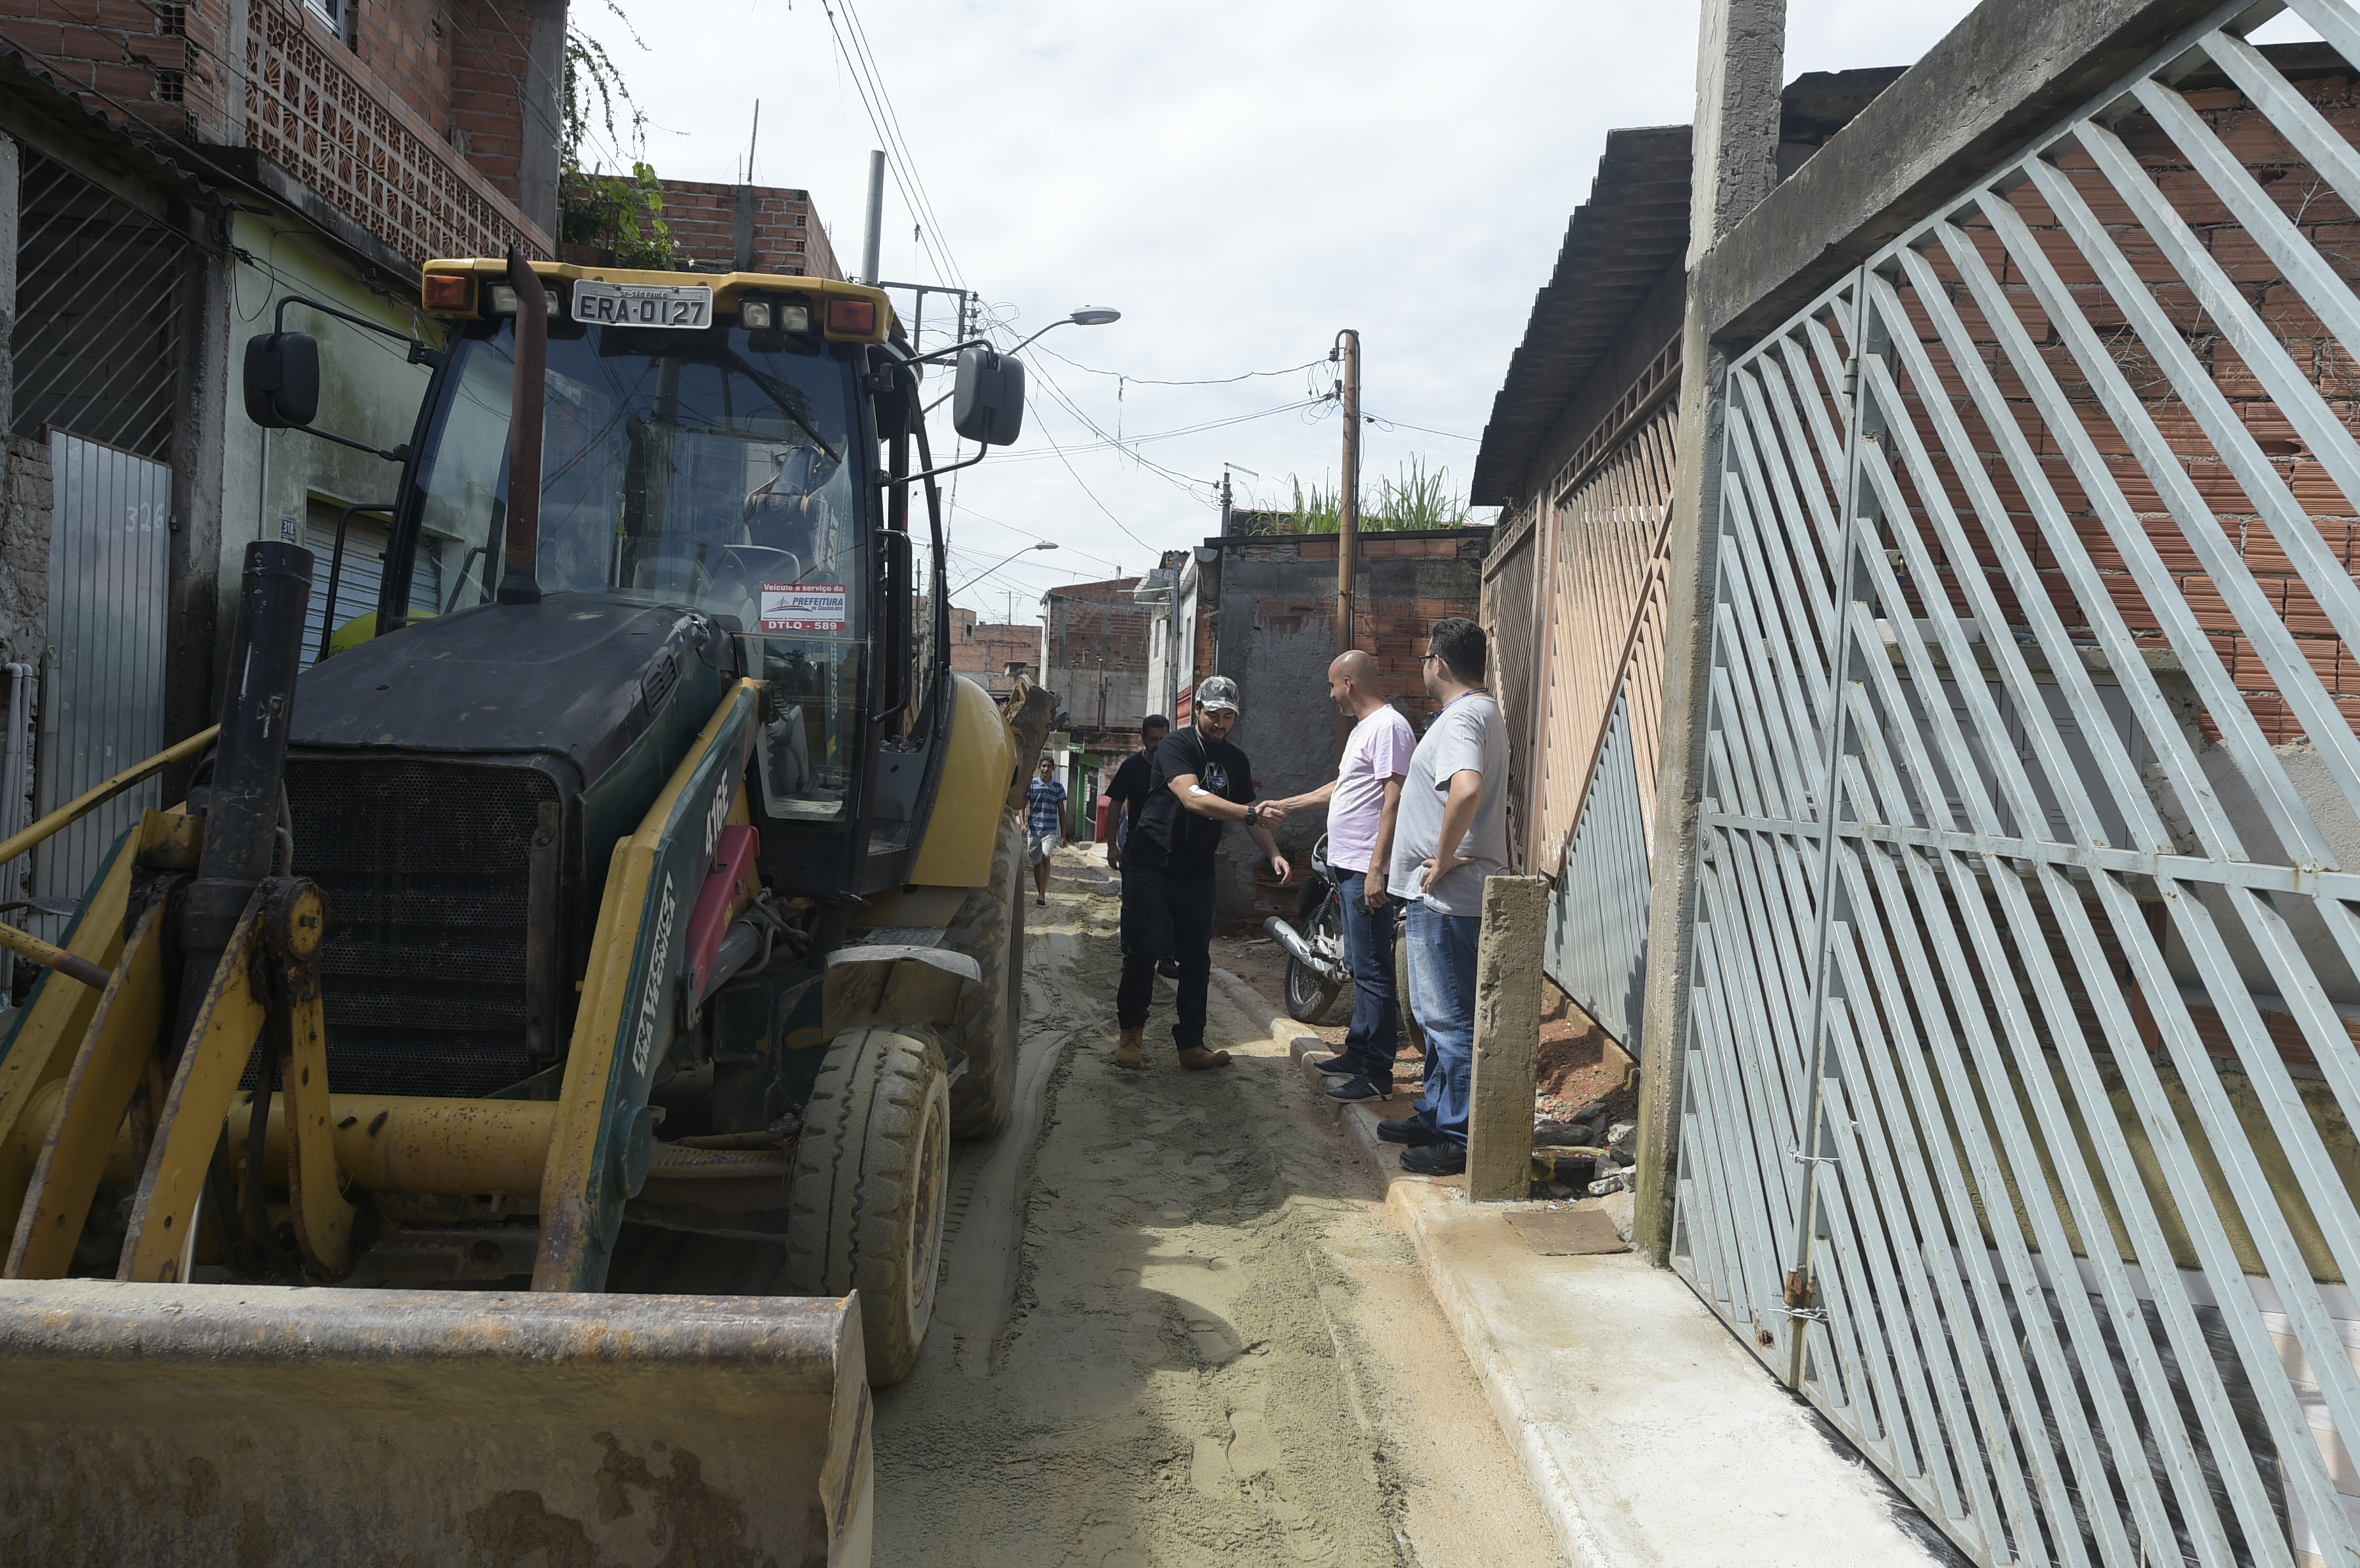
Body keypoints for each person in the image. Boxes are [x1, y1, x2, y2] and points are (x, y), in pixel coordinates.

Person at [1383, 618, 1508, 1176]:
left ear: (1439, 662)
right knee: (1438, 1018)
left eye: (1425, 659)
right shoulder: (1478, 713)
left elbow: (1467, 787)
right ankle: (1437, 1113)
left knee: (1448, 1017)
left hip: (1446, 897)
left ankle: (1457, 1136)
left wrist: (1445, 854)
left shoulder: (1462, 717)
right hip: (1444, 895)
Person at [1115, 675, 1290, 1071]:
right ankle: (1131, 1034)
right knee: (1144, 949)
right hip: (1151, 862)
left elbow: (1251, 815)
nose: (1221, 723)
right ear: (1197, 710)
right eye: (1214, 714)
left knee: (1196, 958)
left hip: (1196, 868)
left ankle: (1191, 1044)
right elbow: (1192, 797)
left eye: (1228, 716)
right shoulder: (1176, 745)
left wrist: (1274, 854)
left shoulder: (1236, 759)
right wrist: (1249, 812)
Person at [1263, 651, 1414, 1105]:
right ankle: (1358, 1053)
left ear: (1348, 683)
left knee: (1373, 970)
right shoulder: (1364, 729)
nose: (1331, 696)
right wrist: (1289, 805)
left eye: (1332, 686)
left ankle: (1376, 1073)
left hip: (1366, 867)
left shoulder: (1389, 727)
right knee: (1361, 966)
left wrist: (1377, 869)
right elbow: (1343, 787)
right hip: (1347, 865)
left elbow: (1395, 797)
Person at [1104, 715, 1181, 979]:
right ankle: (1131, 954)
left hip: (1170, 849)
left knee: (1170, 905)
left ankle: (1167, 958)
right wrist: (1112, 845)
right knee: (1132, 905)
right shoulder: (1132, 767)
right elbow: (1115, 804)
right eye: (1153, 739)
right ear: (1143, 739)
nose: (1158, 744)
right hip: (1137, 847)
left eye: (1163, 739)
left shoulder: (1179, 768)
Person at [1026, 755, 1068, 908]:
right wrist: (1023, 823)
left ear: (1053, 769)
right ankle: (1040, 892)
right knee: (1036, 862)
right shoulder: (1032, 785)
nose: (1046, 769)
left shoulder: (1058, 787)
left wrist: (1064, 835)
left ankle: (1042, 894)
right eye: (1043, 766)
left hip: (1050, 830)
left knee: (1046, 856)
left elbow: (1062, 811)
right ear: (1039, 768)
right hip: (1034, 829)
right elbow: (1023, 803)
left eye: (1049, 766)